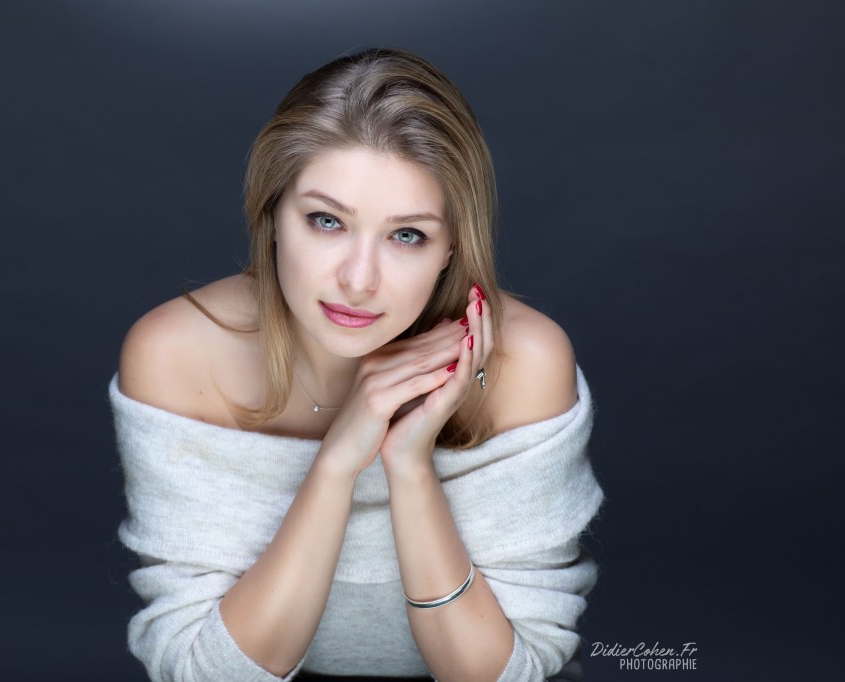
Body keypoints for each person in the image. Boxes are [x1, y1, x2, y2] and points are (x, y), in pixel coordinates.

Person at [110, 48, 604, 682]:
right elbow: (203, 672)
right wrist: (337, 463)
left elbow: (509, 674)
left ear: (452, 247)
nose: (359, 279)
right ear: (273, 214)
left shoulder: (523, 363)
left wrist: (410, 466)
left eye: (407, 235)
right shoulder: (179, 356)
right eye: (326, 221)